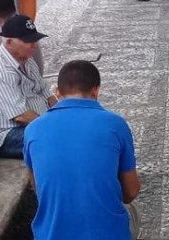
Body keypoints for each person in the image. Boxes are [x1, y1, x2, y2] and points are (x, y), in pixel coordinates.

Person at [25, 60, 140, 240]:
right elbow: (131, 191)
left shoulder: (33, 128)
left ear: (57, 92)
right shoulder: (115, 124)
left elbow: (37, 186)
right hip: (107, 235)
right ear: (96, 90)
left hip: (50, 234)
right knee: (131, 211)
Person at [0, 14, 56, 158]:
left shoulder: (26, 59)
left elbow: (45, 92)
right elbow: (21, 116)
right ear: (9, 43)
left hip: (34, 121)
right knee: (57, 140)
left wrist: (63, 113)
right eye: (28, 41)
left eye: (35, 40)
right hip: (5, 135)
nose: (34, 45)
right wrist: (54, 125)